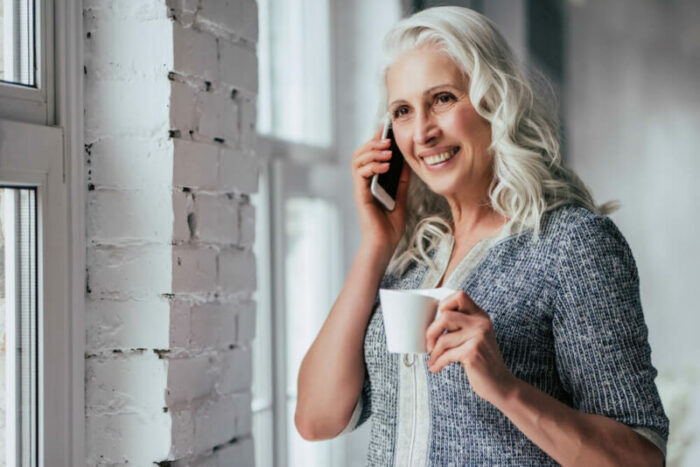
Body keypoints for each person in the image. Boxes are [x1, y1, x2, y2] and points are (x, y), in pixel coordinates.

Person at [295, 6, 668, 466]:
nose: (424, 132)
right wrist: (375, 246)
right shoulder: (412, 259)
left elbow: (641, 458)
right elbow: (316, 420)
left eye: (444, 99)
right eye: (404, 111)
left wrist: (505, 388)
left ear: (495, 100)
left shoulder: (571, 244)